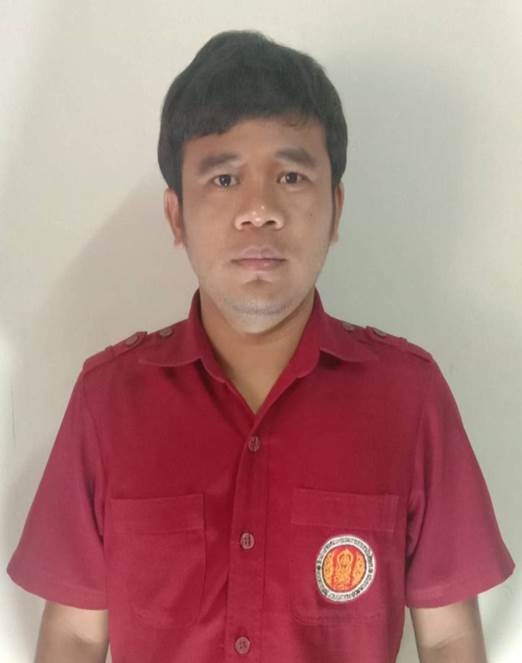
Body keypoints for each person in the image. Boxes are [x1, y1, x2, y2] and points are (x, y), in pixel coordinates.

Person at [7, 30, 515, 663]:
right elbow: (77, 636)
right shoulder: (108, 402)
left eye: (291, 176)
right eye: (223, 178)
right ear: (176, 216)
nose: (259, 210)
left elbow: (448, 639)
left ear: (335, 209)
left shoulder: (410, 398)